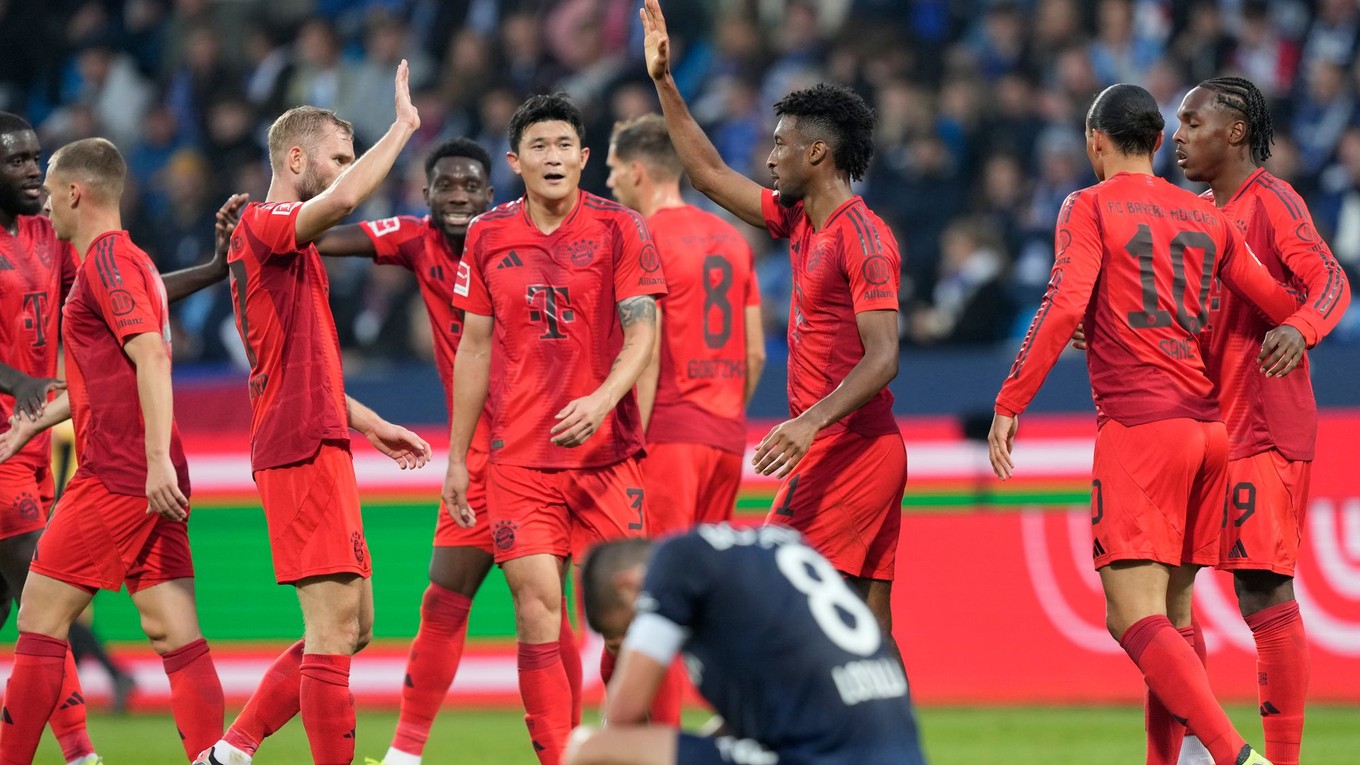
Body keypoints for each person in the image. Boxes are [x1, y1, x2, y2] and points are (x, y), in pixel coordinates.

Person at [987, 83, 1321, 765]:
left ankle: (1235, 756)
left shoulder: (1087, 205)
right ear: (1160, 140)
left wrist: (1011, 398)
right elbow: (1278, 300)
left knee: (1129, 616)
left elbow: (1059, 306)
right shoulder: (1207, 218)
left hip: (1141, 427)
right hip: (1211, 433)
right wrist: (1299, 328)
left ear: (1093, 140)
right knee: (1174, 616)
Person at [269, 136, 581, 765]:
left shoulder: (524, 239)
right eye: (447, 186)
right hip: (477, 454)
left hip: (540, 453)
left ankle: (566, 748)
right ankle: (405, 753)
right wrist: (273, 221)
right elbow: (318, 235)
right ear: (428, 194)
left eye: (471, 185)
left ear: (494, 194)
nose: (459, 196)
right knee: (443, 599)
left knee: (545, 609)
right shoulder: (416, 240)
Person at [642, 0, 907, 656]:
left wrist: (808, 421)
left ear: (817, 152)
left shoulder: (864, 238)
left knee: (773, 598)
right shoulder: (801, 221)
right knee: (868, 630)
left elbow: (884, 357)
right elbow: (706, 173)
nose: (770, 156)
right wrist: (665, 83)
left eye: (781, 143)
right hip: (848, 448)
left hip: (849, 452)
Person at [193, 61, 433, 765]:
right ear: (295, 158)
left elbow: (302, 363)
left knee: (356, 625)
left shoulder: (287, 247)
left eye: (347, 161)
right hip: (297, 445)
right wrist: (403, 129)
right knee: (331, 630)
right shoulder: (268, 225)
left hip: (321, 433)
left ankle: (231, 751)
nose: (343, 173)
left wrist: (367, 419)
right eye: (335, 159)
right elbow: (342, 203)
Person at [0, 112, 245, 761]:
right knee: (175, 632)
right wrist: (31, 421)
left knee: (37, 620)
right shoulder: (128, 261)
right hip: (152, 473)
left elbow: (151, 358)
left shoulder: (103, 260)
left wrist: (155, 460)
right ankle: (210, 756)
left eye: (48, 180)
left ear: (75, 193)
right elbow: (104, 368)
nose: (42, 194)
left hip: (117, 473)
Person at [443, 92, 668, 765]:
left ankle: (622, 744)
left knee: (626, 624)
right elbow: (475, 348)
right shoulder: (486, 233)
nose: (552, 157)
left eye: (564, 145)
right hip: (519, 462)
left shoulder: (622, 228)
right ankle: (558, 756)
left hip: (607, 458)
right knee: (538, 609)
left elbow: (644, 331)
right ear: (515, 161)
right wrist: (458, 457)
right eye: (538, 146)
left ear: (584, 157)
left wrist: (602, 400)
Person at [1165, 76, 1350, 765]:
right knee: (1165, 585)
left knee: (1260, 585)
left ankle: (1284, 757)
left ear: (1235, 130)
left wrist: (1300, 328)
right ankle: (1192, 749)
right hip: (1197, 425)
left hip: (1263, 426)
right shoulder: (1192, 213)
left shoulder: (1273, 203)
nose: (1176, 134)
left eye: (1191, 120)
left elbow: (1330, 280)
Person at [565, 525, 926, 765]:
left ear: (630, 586)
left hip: (825, 755)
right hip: (899, 749)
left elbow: (624, 717)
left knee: (589, 749)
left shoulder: (674, 560)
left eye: (629, 631)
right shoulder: (772, 551)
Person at [605, 113, 765, 533]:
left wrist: (630, 445)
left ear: (636, 172)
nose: (609, 182)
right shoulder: (733, 238)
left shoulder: (642, 237)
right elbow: (755, 353)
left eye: (613, 170)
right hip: (727, 438)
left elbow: (648, 351)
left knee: (656, 577)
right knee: (706, 578)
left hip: (668, 435)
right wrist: (721, 418)